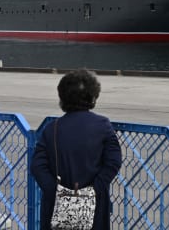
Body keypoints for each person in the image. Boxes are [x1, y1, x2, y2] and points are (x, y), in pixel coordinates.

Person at [31, 69, 122, 230]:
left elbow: (38, 166)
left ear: (62, 97)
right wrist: (95, 189)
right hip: (93, 207)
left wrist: (55, 191)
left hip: (57, 207)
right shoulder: (103, 126)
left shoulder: (51, 128)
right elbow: (113, 162)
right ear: (93, 97)